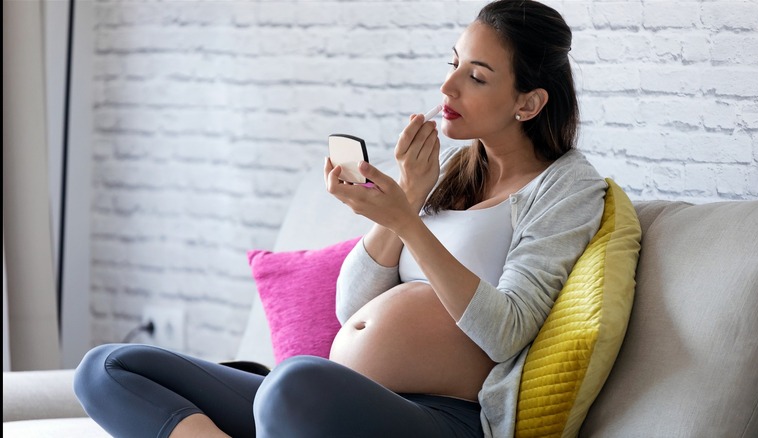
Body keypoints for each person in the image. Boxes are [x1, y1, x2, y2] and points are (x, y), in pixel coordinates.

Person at [73, 1, 606, 437]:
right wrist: (407, 198)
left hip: (439, 417)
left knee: (291, 385)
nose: (448, 88)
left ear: (529, 104)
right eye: (453, 64)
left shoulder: (566, 187)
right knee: (106, 368)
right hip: (331, 400)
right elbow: (351, 306)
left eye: (477, 76)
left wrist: (407, 220)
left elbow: (506, 332)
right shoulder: (446, 173)